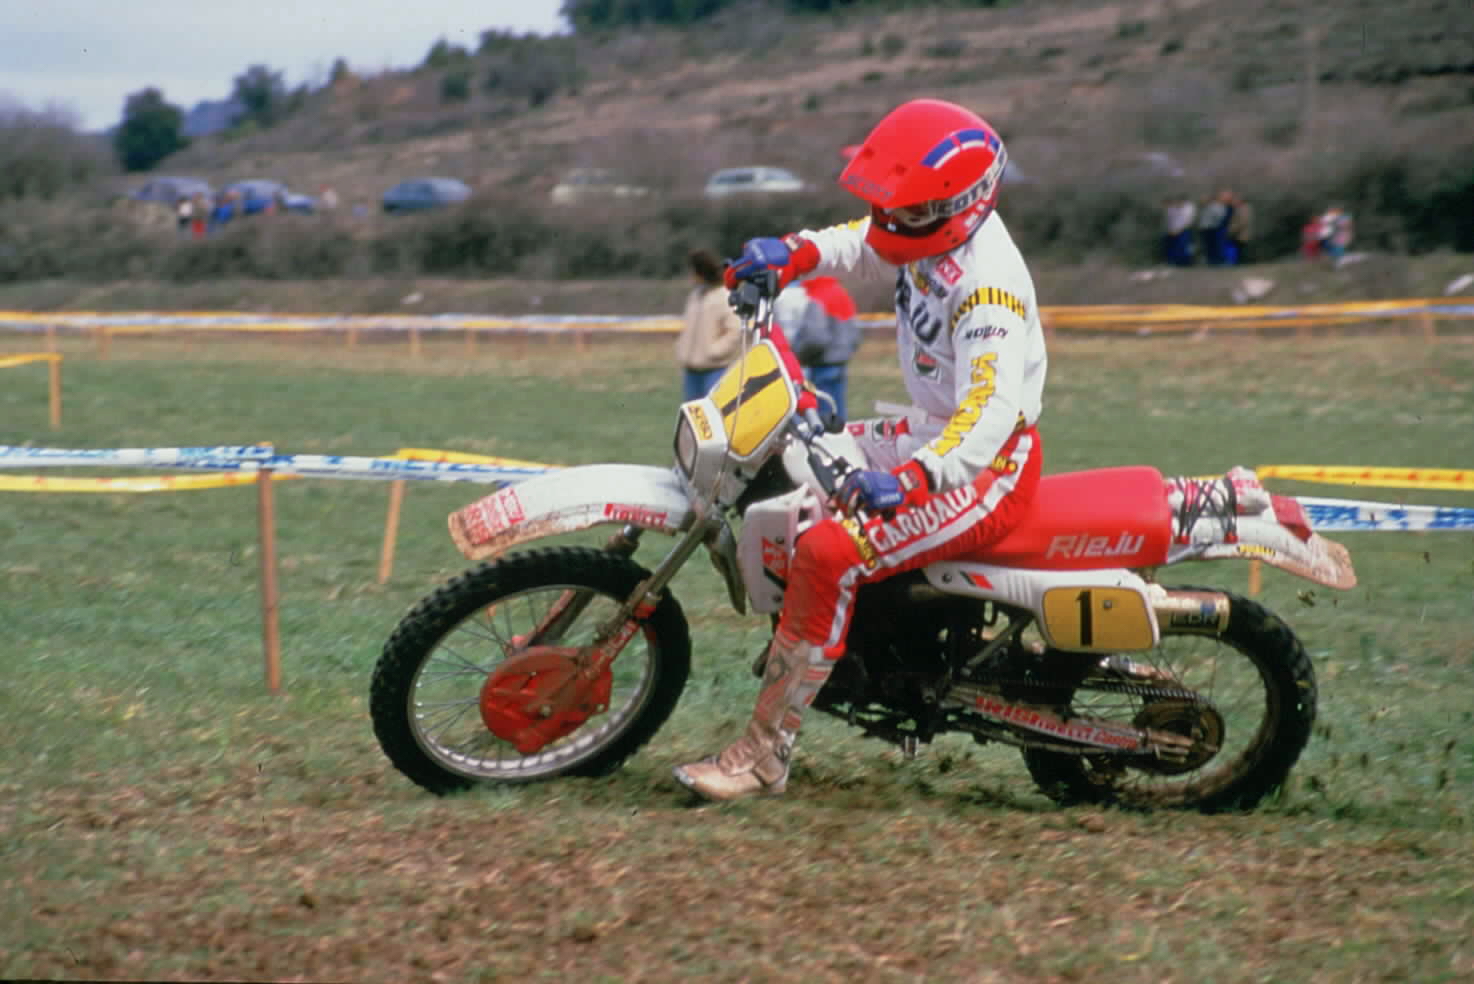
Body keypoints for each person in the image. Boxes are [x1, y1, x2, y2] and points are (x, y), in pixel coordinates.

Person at [674, 98, 1047, 801]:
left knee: (828, 553)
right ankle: (849, 649)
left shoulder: (988, 289)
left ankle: (763, 755)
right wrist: (794, 253)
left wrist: (913, 479)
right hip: (930, 435)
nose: (887, 221)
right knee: (793, 461)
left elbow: (988, 414)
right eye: (886, 206)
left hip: (982, 469)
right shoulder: (925, 235)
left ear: (955, 206)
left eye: (904, 210)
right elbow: (865, 242)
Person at [772, 275, 862, 421]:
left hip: (822, 363)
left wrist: (796, 356)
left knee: (823, 415)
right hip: (840, 361)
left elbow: (816, 337)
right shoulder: (839, 292)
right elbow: (854, 332)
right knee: (837, 413)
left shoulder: (817, 297)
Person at [675, 248, 743, 401]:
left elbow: (735, 330)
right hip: (691, 370)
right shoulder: (695, 295)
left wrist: (715, 351)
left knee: (712, 410)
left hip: (715, 370)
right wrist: (681, 347)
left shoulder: (724, 296)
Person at [1161, 194, 1196, 266]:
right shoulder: (1174, 208)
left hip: (1183, 230)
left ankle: (1185, 261)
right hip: (1173, 230)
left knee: (1183, 246)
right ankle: (1174, 261)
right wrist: (1171, 230)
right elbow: (1171, 221)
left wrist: (1179, 230)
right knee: (1173, 246)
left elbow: (1187, 221)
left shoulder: (1188, 209)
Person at [1225, 191, 1253, 265]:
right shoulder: (1240, 208)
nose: (1233, 201)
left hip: (1241, 233)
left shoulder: (1244, 209)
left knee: (1241, 249)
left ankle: (1242, 263)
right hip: (1239, 233)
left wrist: (1233, 229)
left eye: (1235, 200)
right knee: (1239, 249)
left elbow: (1243, 221)